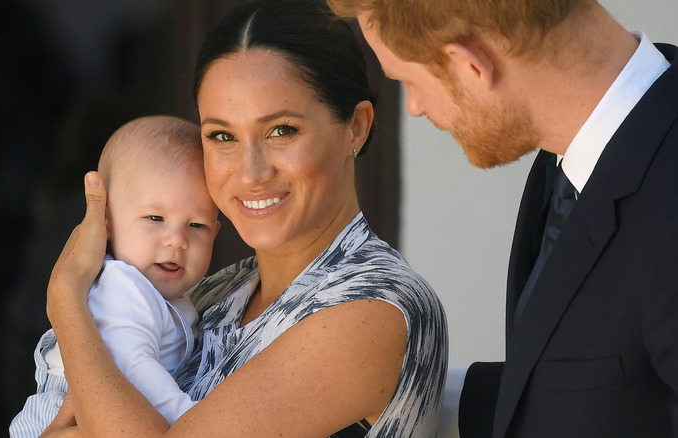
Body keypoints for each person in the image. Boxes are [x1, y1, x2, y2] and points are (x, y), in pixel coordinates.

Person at [39, 0, 448, 437]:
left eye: (281, 130)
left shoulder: (376, 306)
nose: (251, 173)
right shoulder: (216, 293)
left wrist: (66, 300)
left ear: (356, 127)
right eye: (222, 136)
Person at [326, 0, 678, 436]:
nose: (414, 107)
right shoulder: (572, 160)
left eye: (408, 81)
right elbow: (603, 391)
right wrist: (394, 387)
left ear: (472, 67)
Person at [9, 115, 221, 437]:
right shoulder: (123, 287)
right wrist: (192, 421)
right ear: (106, 222)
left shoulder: (165, 295)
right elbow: (132, 368)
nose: (177, 240)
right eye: (155, 217)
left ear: (215, 234)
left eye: (197, 225)